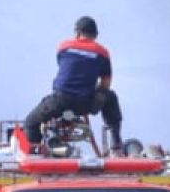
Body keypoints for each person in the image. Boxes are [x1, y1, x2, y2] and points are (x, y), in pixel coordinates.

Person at [24, 16, 124, 153]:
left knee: (31, 123)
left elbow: (67, 68)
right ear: (95, 35)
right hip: (86, 102)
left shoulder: (63, 46)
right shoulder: (103, 52)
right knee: (111, 97)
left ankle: (34, 155)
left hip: (59, 101)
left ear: (77, 32)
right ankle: (116, 144)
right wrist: (93, 92)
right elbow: (105, 84)